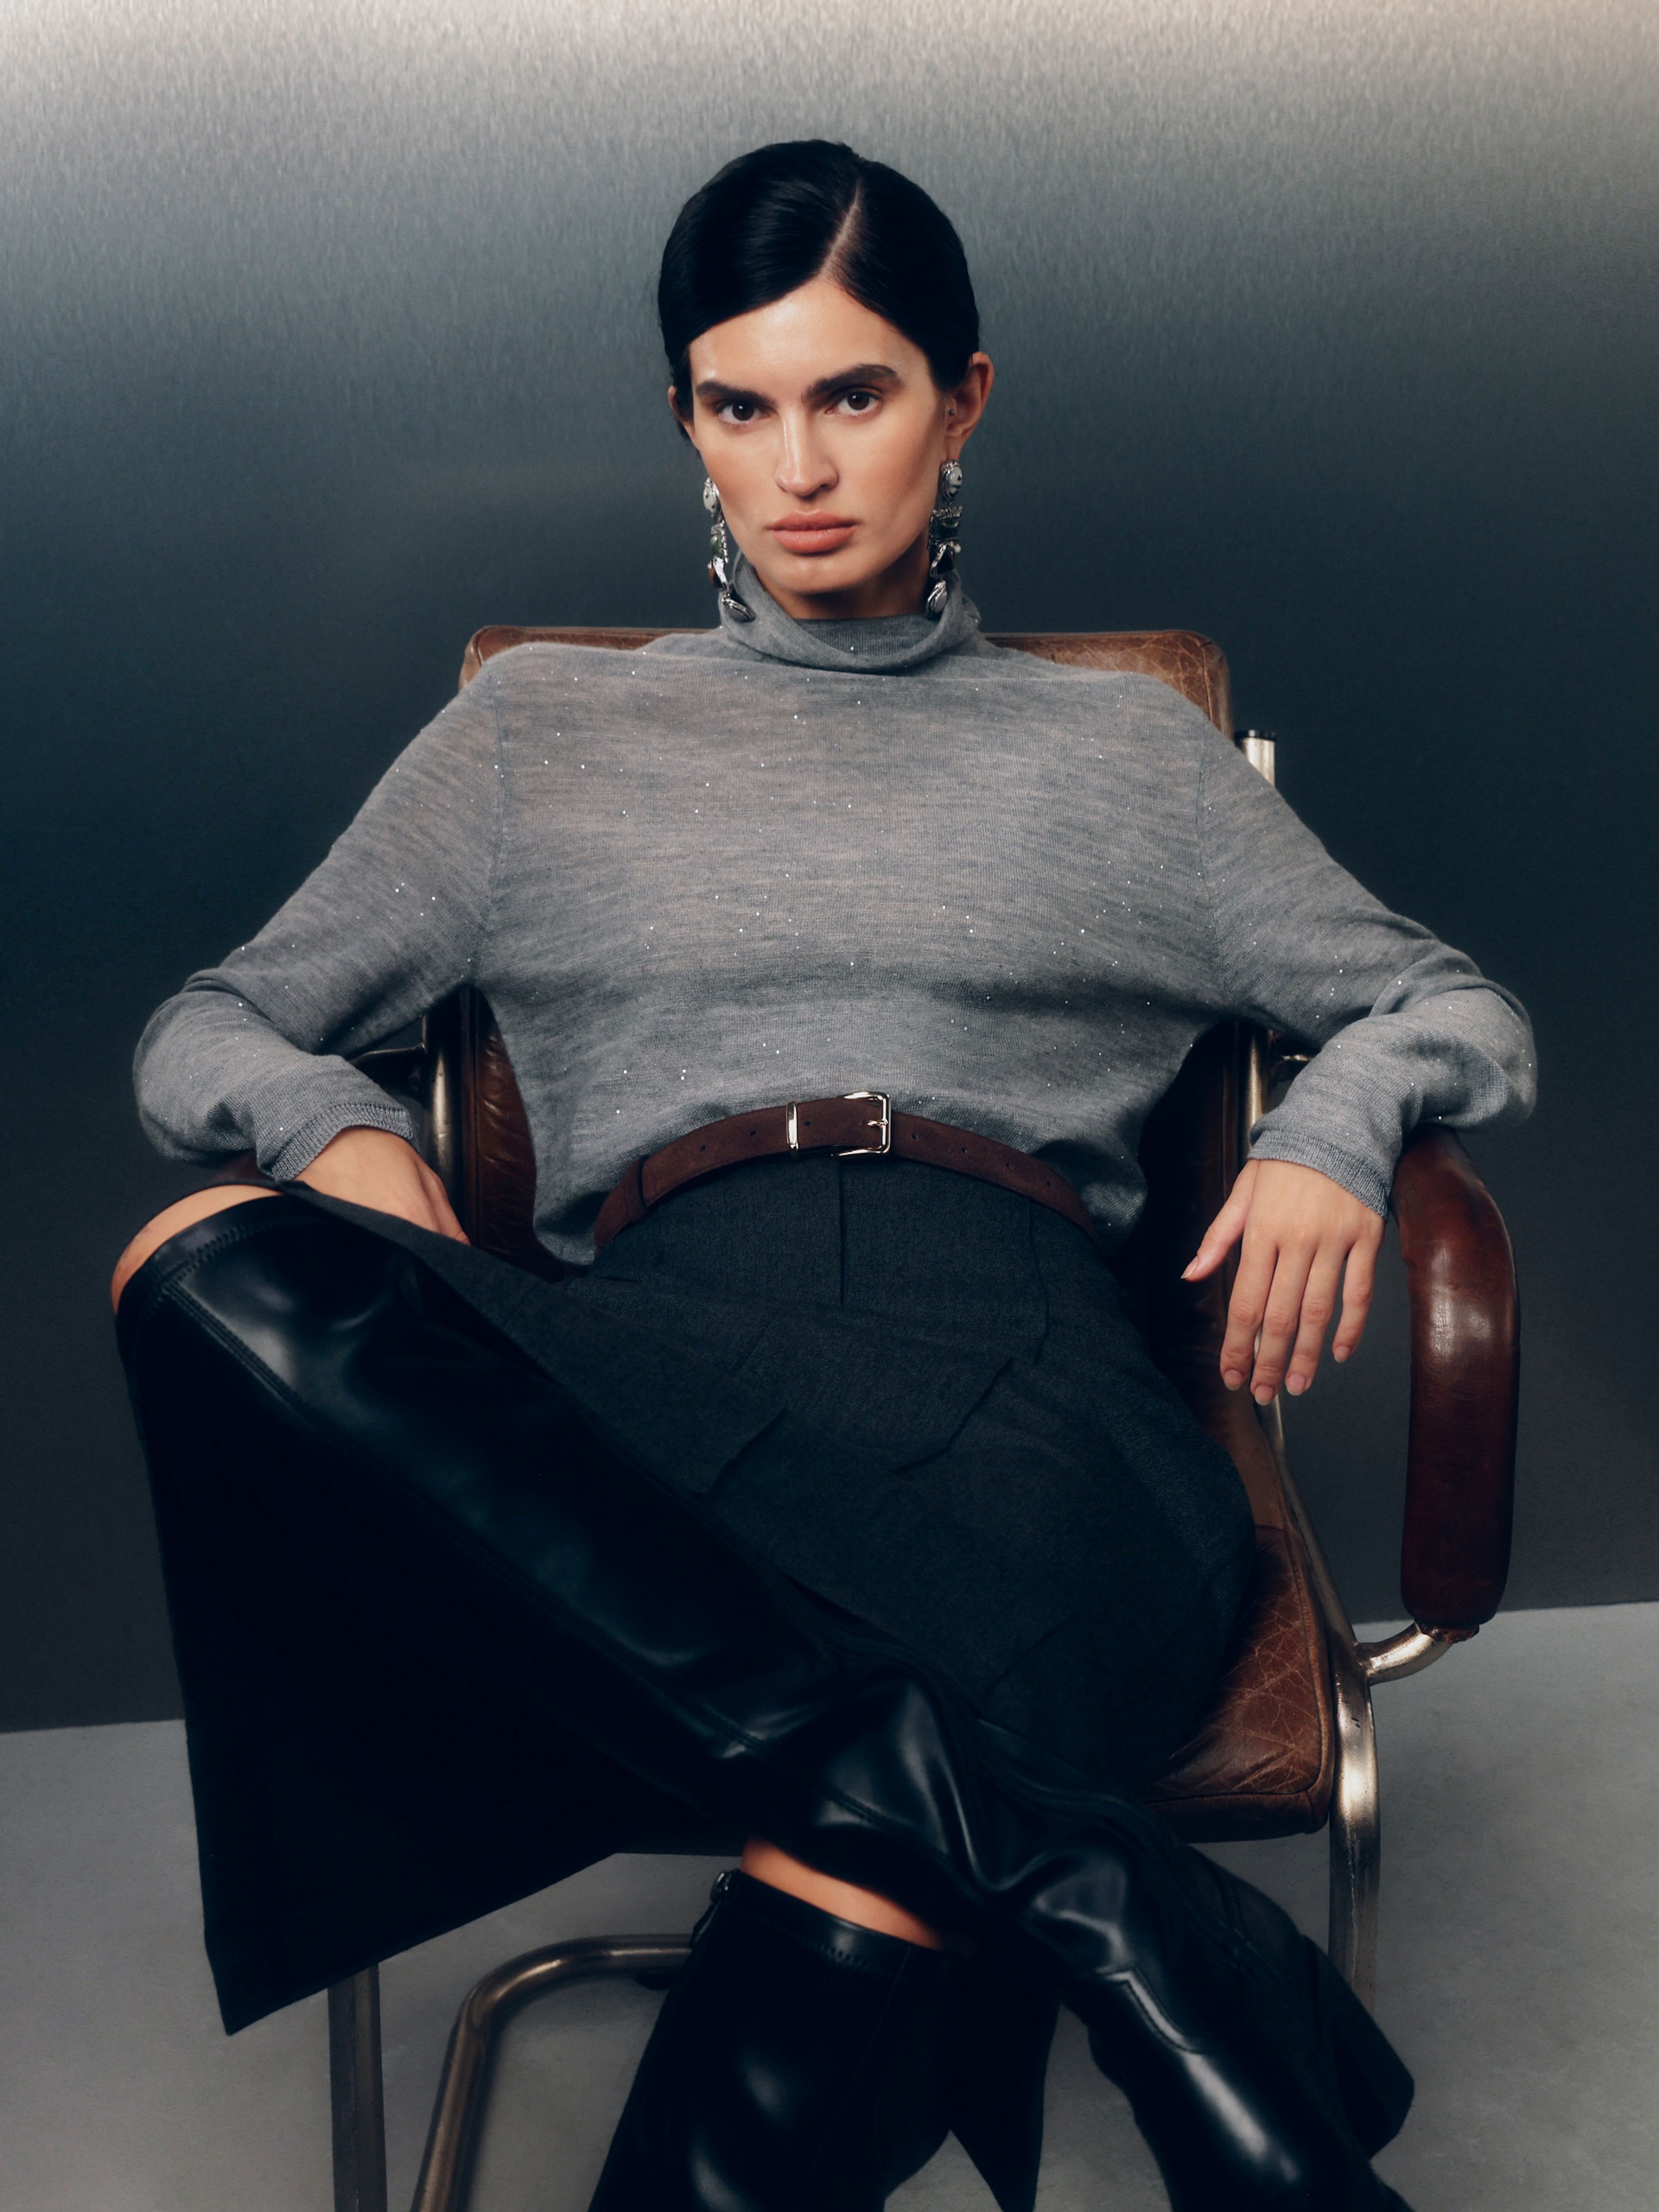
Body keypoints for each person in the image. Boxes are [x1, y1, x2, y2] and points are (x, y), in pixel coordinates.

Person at [112, 141, 1533, 2211]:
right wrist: (335, 1123)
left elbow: (1446, 999)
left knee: (849, 1875)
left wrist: (1336, 1124)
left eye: (853, 394)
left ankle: (1008, 1857)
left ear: (963, 400)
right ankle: (1099, 1900)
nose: (796, 468)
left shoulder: (1124, 758)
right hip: (664, 1365)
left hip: (1027, 1386)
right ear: (685, 417)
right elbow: (208, 1026)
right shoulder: (535, 737)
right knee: (202, 1257)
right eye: (738, 403)